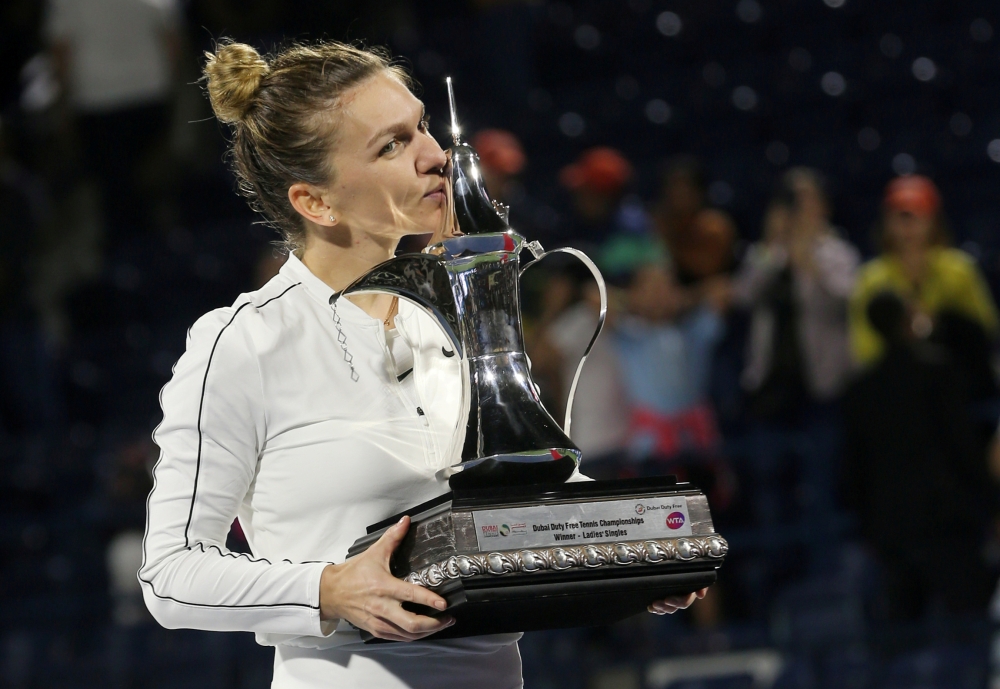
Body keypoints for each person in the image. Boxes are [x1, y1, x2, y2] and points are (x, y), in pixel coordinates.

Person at [139, 40, 703, 689]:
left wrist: (632, 558)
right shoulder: (243, 343)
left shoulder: (461, 316)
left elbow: (528, 498)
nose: (436, 156)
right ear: (316, 201)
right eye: (391, 144)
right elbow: (170, 573)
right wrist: (327, 589)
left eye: (423, 127)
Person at [843, 291, 996, 620]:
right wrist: (988, 504)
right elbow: (964, 447)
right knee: (968, 626)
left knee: (902, 637)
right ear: (906, 320)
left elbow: (850, 473)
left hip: (892, 529)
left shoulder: (861, 391)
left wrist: (869, 528)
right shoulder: (938, 372)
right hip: (947, 522)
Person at [850, 175, 999, 399]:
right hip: (898, 393)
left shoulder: (960, 269)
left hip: (956, 389)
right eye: (901, 216)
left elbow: (985, 328)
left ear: (933, 220)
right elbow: (864, 349)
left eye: (917, 214)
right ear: (887, 222)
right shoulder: (871, 278)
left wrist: (938, 324)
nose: (908, 225)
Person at [653, 156, 736, 286]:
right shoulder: (655, 222)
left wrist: (672, 244)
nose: (678, 196)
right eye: (674, 189)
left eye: (684, 189)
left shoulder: (714, 227)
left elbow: (707, 269)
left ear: (699, 193)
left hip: (708, 292)